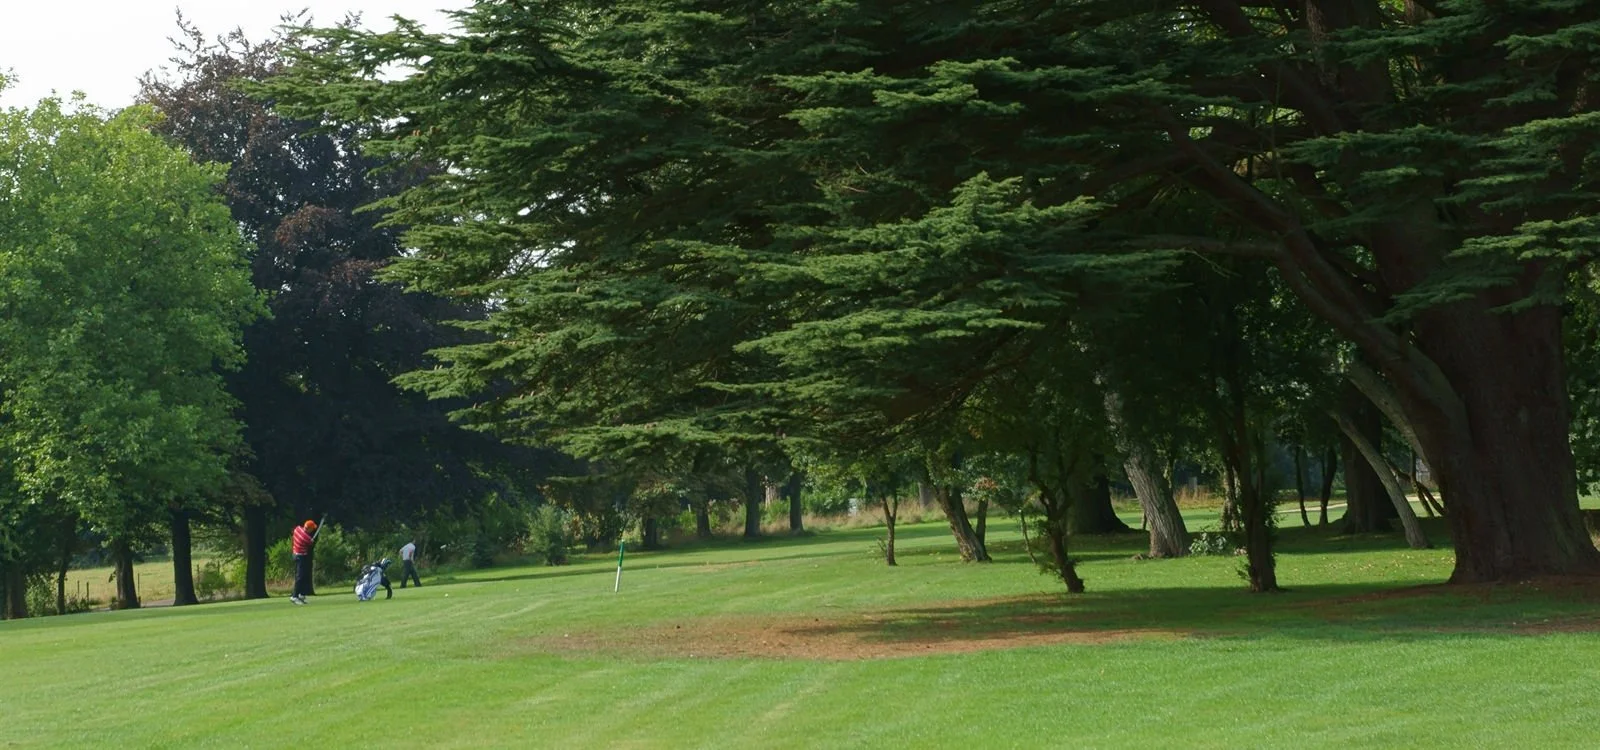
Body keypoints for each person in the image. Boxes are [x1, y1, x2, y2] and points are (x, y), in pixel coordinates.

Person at [290, 519, 317, 605]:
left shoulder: (297, 529)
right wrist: (311, 541)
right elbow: (310, 543)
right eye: (312, 529)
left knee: (304, 576)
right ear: (309, 528)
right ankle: (294, 596)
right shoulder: (306, 537)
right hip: (300, 556)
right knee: (300, 577)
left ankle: (301, 595)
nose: (313, 530)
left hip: (295, 554)